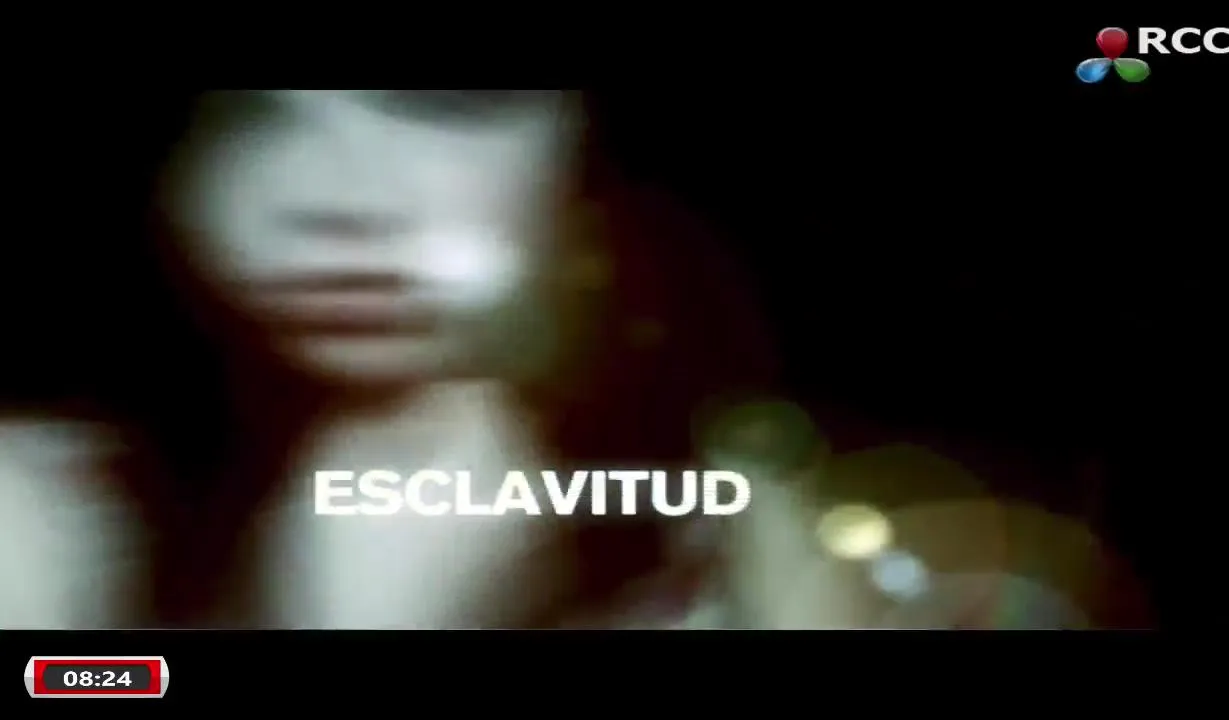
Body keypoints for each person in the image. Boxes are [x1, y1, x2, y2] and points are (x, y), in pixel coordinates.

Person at [0, 90, 774, 628]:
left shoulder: (718, 506)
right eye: (243, 114)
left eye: (441, 100)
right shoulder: (44, 516)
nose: (338, 197)